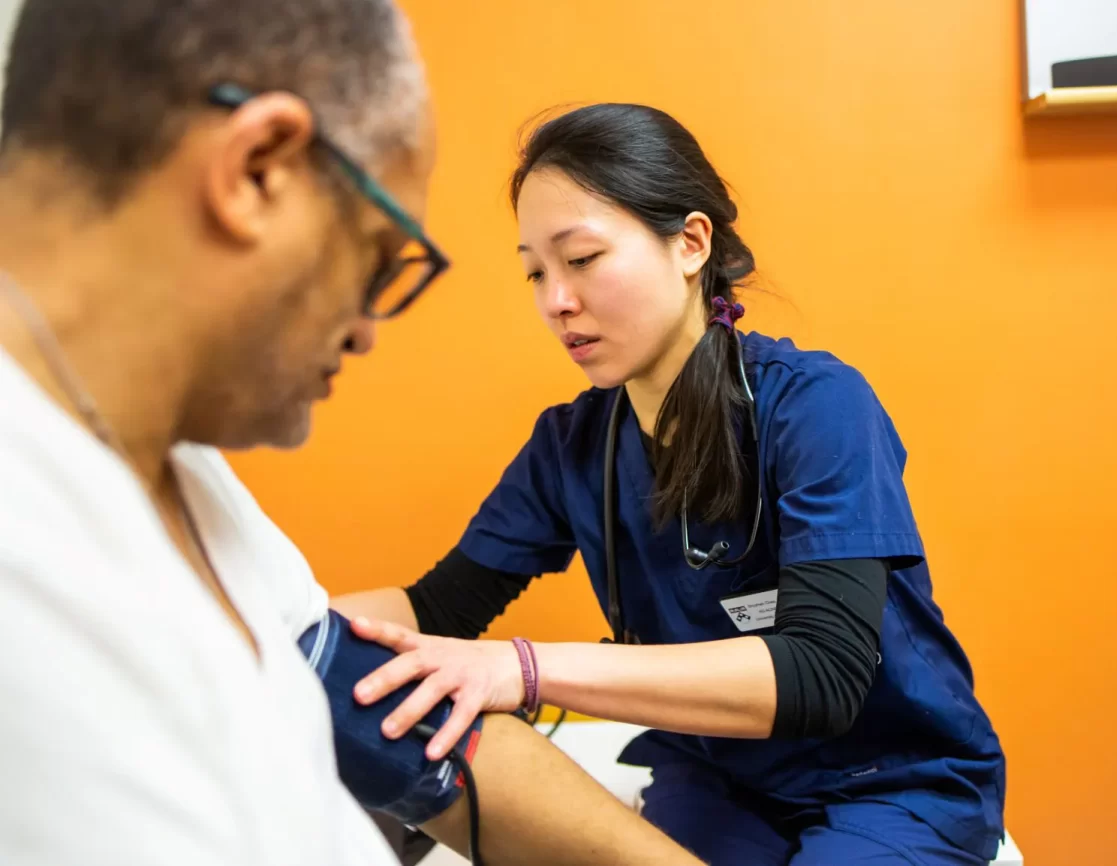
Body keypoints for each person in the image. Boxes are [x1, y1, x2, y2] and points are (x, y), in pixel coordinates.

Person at [0, 3, 704, 865]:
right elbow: (442, 610)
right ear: (257, 170)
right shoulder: (30, 567)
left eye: (583, 260)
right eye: (378, 258)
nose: (370, 329)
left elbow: (367, 691)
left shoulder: (174, 464)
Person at [334, 103, 1008, 866]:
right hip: (718, 778)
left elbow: (822, 674)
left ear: (691, 243)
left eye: (581, 258)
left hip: (888, 778)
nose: (556, 300)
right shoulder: (573, 445)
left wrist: (521, 667)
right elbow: (438, 606)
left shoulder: (816, 406)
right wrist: (283, 628)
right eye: (534, 271)